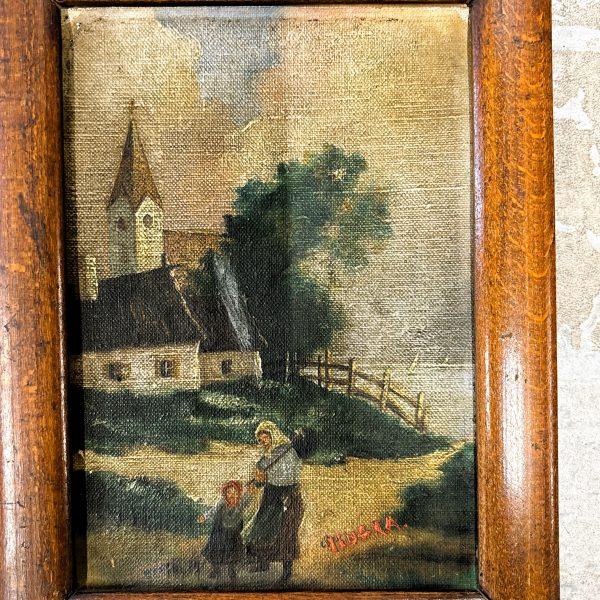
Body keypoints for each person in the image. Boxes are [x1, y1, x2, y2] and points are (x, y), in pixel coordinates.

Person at [246, 420, 304, 585]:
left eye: (264, 437)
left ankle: (287, 572)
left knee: (286, 533)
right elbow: (264, 477)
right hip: (271, 496)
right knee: (262, 529)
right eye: (260, 439)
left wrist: (263, 474)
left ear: (273, 435)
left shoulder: (289, 452)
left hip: (288, 496)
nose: (262, 441)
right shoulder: (269, 455)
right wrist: (257, 483)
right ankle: (263, 564)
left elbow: (290, 476)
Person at [197, 480, 255, 584]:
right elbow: (212, 511)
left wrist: (251, 491)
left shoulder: (241, 503)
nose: (231, 495)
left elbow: (248, 497)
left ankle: (232, 572)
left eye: (234, 492)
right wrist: (204, 517)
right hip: (220, 531)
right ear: (225, 494)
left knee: (232, 554)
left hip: (233, 533)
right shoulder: (221, 504)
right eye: (229, 492)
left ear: (238, 493)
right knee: (216, 550)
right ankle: (216, 570)